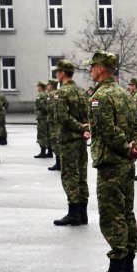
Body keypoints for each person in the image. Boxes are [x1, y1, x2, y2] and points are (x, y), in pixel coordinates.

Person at [83, 50, 137, 272]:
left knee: (112, 214)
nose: (90, 70)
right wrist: (135, 146)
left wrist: (127, 147)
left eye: (92, 66)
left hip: (111, 162)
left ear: (101, 69)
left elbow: (107, 131)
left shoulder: (100, 96)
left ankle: (117, 269)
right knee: (127, 212)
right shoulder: (124, 93)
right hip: (126, 164)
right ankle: (127, 268)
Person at [50, 59, 90, 226]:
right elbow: (87, 113)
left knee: (69, 176)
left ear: (62, 73)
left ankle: (73, 214)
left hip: (69, 140)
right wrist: (85, 129)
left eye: (57, 72)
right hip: (80, 141)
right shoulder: (80, 91)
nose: (56, 75)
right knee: (81, 176)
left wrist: (80, 128)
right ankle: (82, 213)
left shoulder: (61, 93)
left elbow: (63, 117)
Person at [47, 79, 61, 171]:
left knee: (55, 140)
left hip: (54, 122)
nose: (47, 87)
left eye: (48, 85)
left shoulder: (54, 94)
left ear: (52, 85)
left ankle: (59, 163)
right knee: (55, 140)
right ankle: (58, 162)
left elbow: (53, 107)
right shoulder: (53, 94)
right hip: (53, 121)